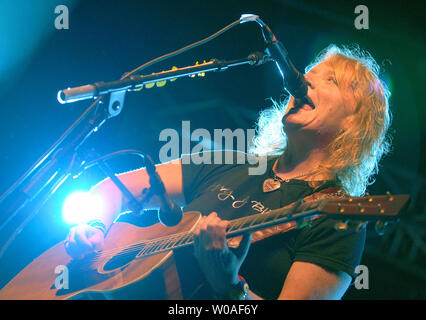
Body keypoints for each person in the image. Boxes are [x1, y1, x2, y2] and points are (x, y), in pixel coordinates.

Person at [65, 44, 391, 300]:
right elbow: (114, 189)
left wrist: (230, 287)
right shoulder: (230, 161)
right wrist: (94, 227)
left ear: (354, 125)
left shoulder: (338, 219)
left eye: (329, 80)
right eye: (309, 73)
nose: (304, 80)